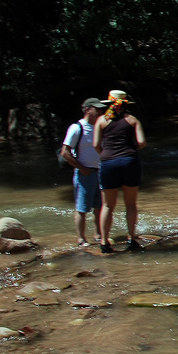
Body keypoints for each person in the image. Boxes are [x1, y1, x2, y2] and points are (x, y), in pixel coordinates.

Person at [93, 89, 146, 253]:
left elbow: (96, 144)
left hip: (108, 163)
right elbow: (142, 142)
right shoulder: (132, 120)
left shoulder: (101, 120)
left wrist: (106, 155)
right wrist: (129, 149)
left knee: (108, 205)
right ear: (125, 104)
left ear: (109, 103)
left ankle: (104, 242)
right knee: (130, 203)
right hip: (129, 162)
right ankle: (131, 239)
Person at [60, 98, 107, 247]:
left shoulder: (100, 126)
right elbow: (65, 152)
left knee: (99, 207)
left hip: (100, 171)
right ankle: (81, 239)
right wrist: (82, 168)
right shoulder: (76, 128)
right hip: (84, 174)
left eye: (101, 109)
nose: (100, 111)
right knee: (82, 209)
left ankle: (98, 234)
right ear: (87, 109)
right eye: (96, 109)